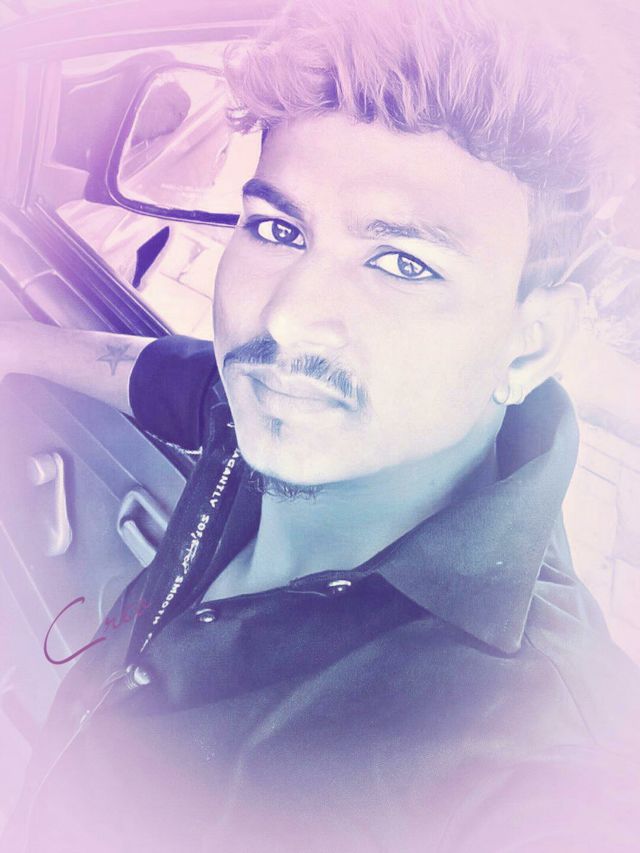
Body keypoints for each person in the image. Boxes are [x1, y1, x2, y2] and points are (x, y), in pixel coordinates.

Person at [2, 0, 640, 850]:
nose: (289, 319)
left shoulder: (547, 764)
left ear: (530, 345)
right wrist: (16, 344)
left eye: (403, 262)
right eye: (279, 229)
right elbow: (162, 375)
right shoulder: (277, 406)